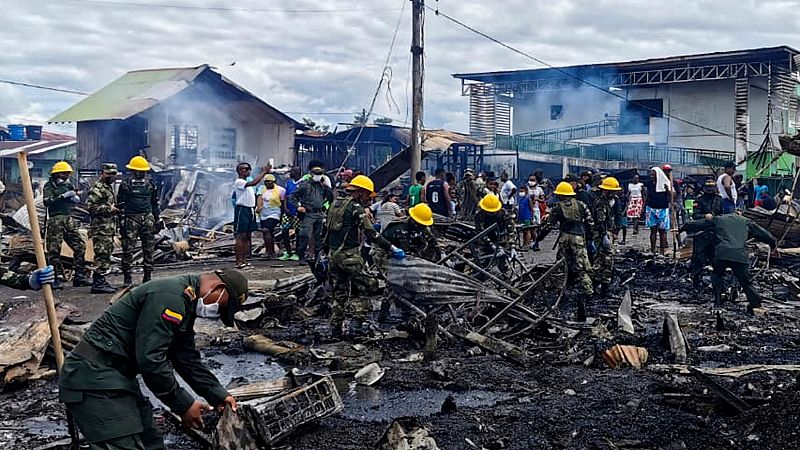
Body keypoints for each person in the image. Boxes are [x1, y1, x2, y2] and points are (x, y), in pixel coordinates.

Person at [59, 269, 247, 449]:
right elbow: (151, 360)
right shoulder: (170, 297)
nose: (217, 313)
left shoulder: (185, 302)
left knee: (151, 441)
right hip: (93, 378)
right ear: (217, 288)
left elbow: (186, 358)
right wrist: (184, 404)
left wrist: (218, 395)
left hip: (117, 378)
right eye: (222, 307)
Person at [324, 175, 405, 337]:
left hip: (333, 256)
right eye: (368, 195)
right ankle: (356, 325)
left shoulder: (335, 204)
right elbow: (371, 233)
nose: (369, 199)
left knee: (339, 292)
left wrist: (323, 253)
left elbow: (325, 231)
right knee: (369, 286)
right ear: (360, 192)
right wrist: (391, 247)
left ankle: (336, 329)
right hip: (350, 256)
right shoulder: (356, 208)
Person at [682, 213, 776, 313]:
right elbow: (765, 235)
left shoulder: (719, 219)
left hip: (721, 254)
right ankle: (756, 304)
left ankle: (718, 302)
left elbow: (699, 224)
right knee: (746, 282)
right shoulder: (746, 221)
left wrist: (682, 228)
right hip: (739, 255)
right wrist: (773, 244)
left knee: (717, 275)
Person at [374, 203, 439, 322]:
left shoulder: (422, 227)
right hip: (386, 255)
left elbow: (432, 240)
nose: (423, 227)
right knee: (393, 283)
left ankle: (407, 311)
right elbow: (381, 246)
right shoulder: (399, 228)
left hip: (407, 257)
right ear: (414, 220)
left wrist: (441, 251)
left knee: (410, 282)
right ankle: (383, 314)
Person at [539, 182, 594, 321]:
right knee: (582, 266)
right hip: (579, 238)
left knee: (561, 266)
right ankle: (589, 292)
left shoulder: (557, 208)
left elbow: (549, 226)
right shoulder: (582, 205)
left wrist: (538, 239)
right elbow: (590, 223)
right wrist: (590, 238)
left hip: (564, 238)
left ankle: (561, 292)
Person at [43, 161, 91, 289]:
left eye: (67, 174)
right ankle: (54, 278)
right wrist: (63, 196)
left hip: (68, 219)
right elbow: (47, 202)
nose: (66, 176)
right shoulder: (49, 186)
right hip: (55, 220)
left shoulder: (68, 185)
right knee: (54, 251)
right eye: (64, 174)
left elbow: (75, 200)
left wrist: (74, 197)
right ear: (56, 174)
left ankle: (79, 276)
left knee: (80, 246)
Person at [118, 156, 160, 287]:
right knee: (128, 249)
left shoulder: (151, 185)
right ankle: (127, 278)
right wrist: (121, 222)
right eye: (137, 171)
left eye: (142, 171)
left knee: (148, 248)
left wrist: (157, 219)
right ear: (132, 170)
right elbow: (120, 204)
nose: (140, 173)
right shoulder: (125, 185)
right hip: (131, 218)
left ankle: (147, 276)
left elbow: (154, 203)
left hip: (147, 218)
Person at [291, 161, 334, 263]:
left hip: (319, 213)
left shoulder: (322, 186)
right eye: (316, 174)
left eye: (320, 174)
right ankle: (301, 256)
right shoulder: (305, 185)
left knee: (318, 236)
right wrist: (298, 206)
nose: (318, 176)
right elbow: (292, 196)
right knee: (305, 234)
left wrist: (326, 187)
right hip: (309, 213)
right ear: (311, 174)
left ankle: (317, 257)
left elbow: (331, 198)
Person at [87, 163, 120, 294]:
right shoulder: (97, 188)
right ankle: (98, 283)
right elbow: (91, 207)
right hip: (100, 228)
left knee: (106, 255)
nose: (111, 176)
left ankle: (101, 280)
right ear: (103, 173)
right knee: (101, 255)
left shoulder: (108, 188)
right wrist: (109, 209)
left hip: (108, 228)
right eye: (109, 173)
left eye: (113, 174)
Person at [233, 162, 271, 268]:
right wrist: (264, 172)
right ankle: (239, 260)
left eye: (249, 169)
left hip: (250, 209)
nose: (249, 171)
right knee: (240, 235)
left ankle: (244, 259)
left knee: (246, 236)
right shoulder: (239, 182)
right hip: (242, 210)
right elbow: (254, 182)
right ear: (240, 171)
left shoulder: (245, 183)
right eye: (246, 169)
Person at [689, 179, 723, 291]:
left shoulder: (719, 200)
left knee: (717, 261)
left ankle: (717, 286)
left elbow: (723, 214)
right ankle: (695, 283)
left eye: (712, 189)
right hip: (701, 234)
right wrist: (704, 216)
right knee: (698, 259)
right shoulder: (699, 200)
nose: (710, 191)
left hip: (715, 234)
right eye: (708, 189)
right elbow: (695, 215)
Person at [592, 177, 622, 297]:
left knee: (607, 262)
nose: (615, 193)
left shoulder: (610, 201)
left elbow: (617, 215)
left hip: (607, 233)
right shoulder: (601, 203)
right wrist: (604, 236)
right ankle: (594, 288)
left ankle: (603, 288)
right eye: (613, 191)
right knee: (602, 262)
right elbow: (600, 222)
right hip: (602, 234)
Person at [256, 174, 286, 259]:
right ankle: (271, 252)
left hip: (275, 213)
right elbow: (259, 198)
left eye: (269, 181)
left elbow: (283, 204)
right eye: (266, 181)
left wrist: (282, 217)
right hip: (263, 213)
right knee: (268, 233)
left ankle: (269, 252)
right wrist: (258, 207)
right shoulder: (261, 189)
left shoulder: (280, 190)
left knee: (266, 230)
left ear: (274, 181)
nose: (267, 183)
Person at [643, 166, 672, 256]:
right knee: (653, 230)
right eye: (650, 174)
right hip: (651, 208)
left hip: (662, 208)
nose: (651, 176)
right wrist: (644, 206)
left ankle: (662, 251)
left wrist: (668, 190)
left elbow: (672, 196)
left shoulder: (665, 183)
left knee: (662, 231)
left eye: (653, 175)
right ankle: (653, 250)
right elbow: (647, 195)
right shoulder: (649, 184)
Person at [279, 167, 303, 261]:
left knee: (298, 232)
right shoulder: (289, 182)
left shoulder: (303, 183)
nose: (291, 173)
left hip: (297, 212)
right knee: (284, 231)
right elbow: (285, 196)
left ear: (298, 172)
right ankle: (288, 252)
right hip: (288, 211)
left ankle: (297, 252)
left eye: (293, 171)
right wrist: (285, 207)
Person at [528, 177, 546, 250]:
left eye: (533, 180)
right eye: (530, 180)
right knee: (531, 227)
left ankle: (536, 242)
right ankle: (532, 242)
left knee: (538, 227)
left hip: (536, 210)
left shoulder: (539, 190)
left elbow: (543, 200)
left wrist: (537, 199)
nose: (531, 182)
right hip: (528, 210)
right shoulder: (526, 189)